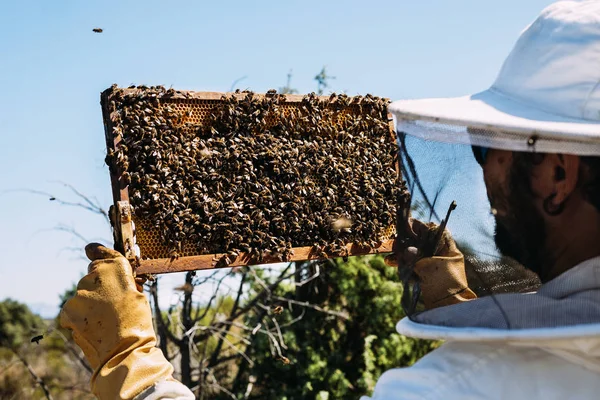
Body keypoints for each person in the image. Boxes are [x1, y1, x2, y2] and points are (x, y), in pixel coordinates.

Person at [60, 1, 600, 399]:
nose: (484, 170)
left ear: (556, 174)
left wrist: (135, 371)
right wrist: (460, 308)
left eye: (489, 147)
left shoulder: (461, 390)